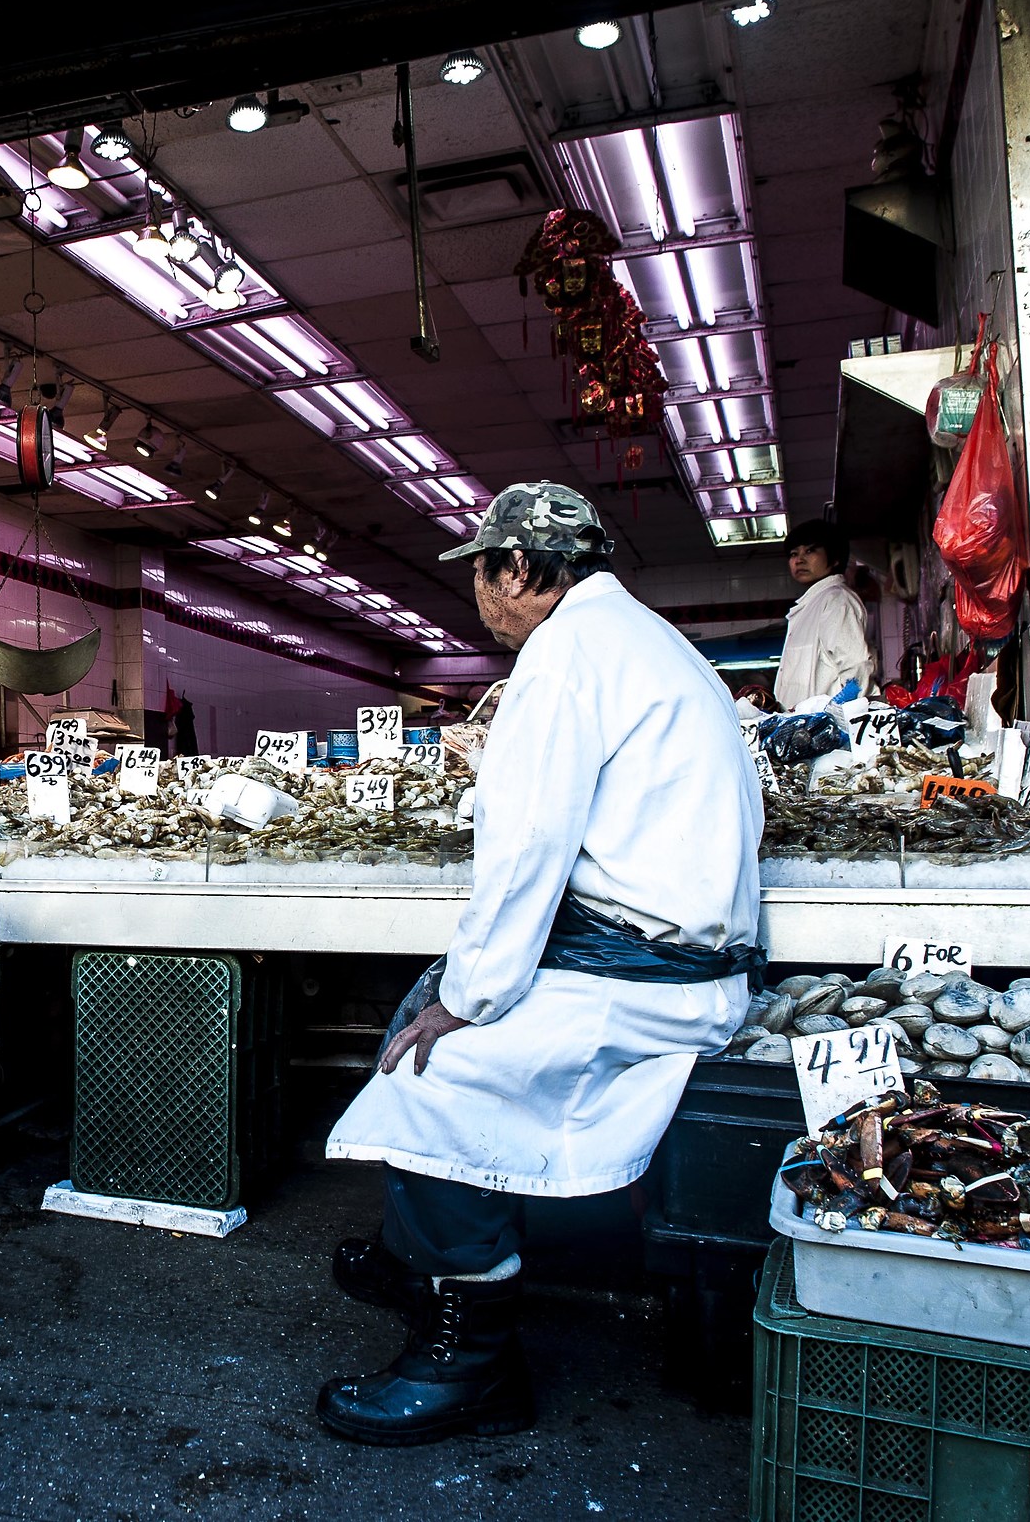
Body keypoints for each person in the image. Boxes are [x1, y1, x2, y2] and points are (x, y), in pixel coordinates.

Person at [319, 482, 764, 1446]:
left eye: (482, 571)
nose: (479, 593)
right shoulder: (652, 641)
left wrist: (470, 1000)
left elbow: (526, 851)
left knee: (431, 1070)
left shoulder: (564, 656)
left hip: (642, 981)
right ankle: (419, 1261)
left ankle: (468, 1361)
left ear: (519, 567)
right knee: (422, 999)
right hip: (677, 962)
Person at [773, 518, 875, 709]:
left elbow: (856, 668)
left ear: (835, 558)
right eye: (794, 554)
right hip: (804, 721)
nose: (799, 560)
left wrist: (836, 713)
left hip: (827, 723)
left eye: (810, 551)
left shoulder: (837, 600)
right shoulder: (813, 604)